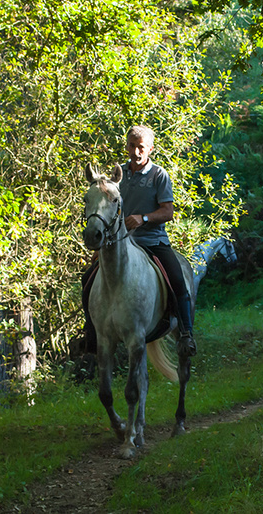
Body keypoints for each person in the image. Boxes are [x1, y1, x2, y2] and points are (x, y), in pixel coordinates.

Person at [82, 125, 196, 357]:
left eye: (141, 147)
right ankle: (90, 334)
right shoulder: (116, 177)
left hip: (152, 241)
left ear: (150, 149)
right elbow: (105, 210)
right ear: (127, 146)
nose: (136, 151)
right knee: (87, 278)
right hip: (118, 244)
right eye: (132, 146)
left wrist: (144, 218)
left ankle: (185, 333)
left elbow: (168, 212)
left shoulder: (159, 175)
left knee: (177, 279)